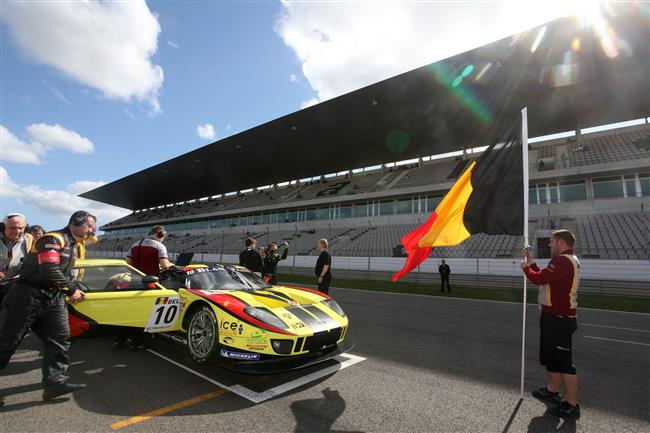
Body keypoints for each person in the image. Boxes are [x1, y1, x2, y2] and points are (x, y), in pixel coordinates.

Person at [0, 210, 95, 404]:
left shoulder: (75, 244)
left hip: (53, 299)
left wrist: (74, 287)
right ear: (77, 222)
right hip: (26, 297)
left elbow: (65, 274)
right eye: (90, 225)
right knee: (6, 342)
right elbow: (49, 270)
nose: (93, 229)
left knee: (60, 339)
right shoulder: (53, 239)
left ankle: (54, 384)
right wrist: (71, 290)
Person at [521, 229, 581, 420]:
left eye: (552, 241)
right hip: (553, 316)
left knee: (564, 362)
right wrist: (532, 264)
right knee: (552, 357)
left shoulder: (564, 261)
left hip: (560, 318)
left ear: (561, 243)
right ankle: (553, 389)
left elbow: (540, 278)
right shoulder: (562, 260)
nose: (549, 244)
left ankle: (572, 404)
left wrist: (525, 268)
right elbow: (546, 278)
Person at [0, 213, 34, 304]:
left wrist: (25, 265)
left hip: (12, 287)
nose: (17, 231)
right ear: (3, 227)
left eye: (21, 228)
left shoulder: (29, 239)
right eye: (13, 228)